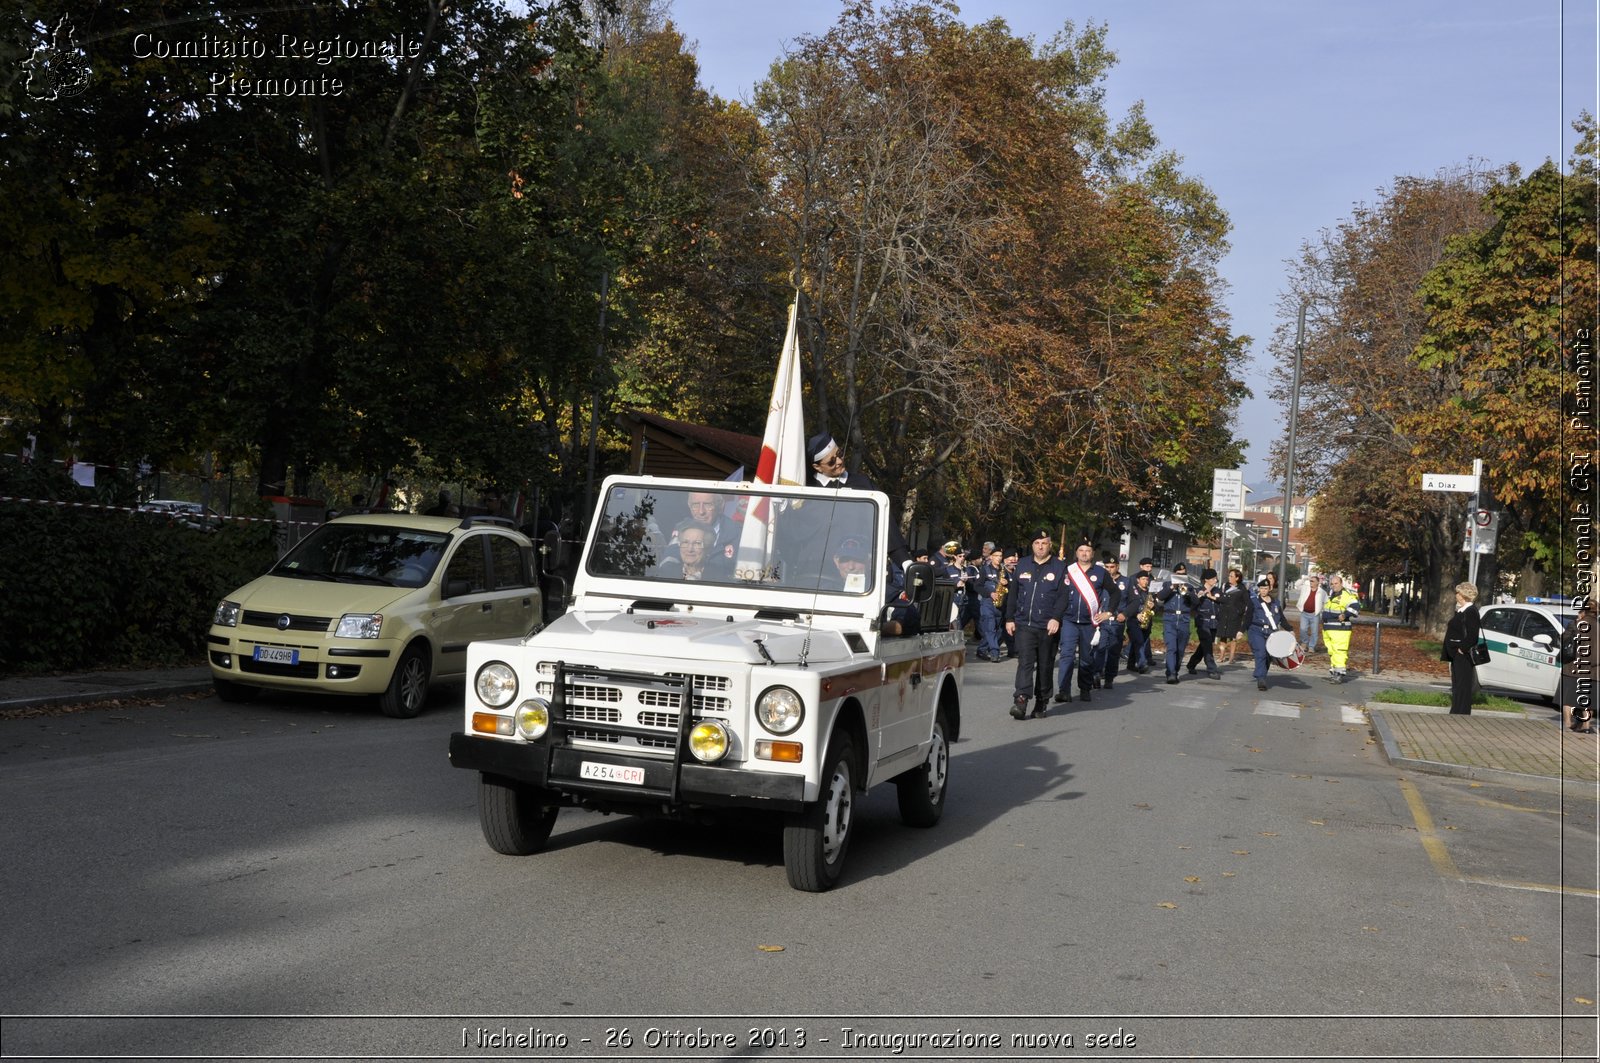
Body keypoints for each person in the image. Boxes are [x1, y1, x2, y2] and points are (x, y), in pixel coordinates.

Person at [805, 432, 909, 565]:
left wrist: (905, 562)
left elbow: (885, 523)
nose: (840, 461)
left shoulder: (863, 484)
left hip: (858, 566)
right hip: (812, 568)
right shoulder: (805, 488)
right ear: (817, 467)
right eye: (831, 461)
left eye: (840, 454)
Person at [1004, 529, 1067, 720]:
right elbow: (1013, 594)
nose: (1041, 546)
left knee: (1045, 665)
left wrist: (1056, 618)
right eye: (1037, 543)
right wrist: (1009, 618)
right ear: (1032, 545)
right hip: (1024, 623)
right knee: (1025, 662)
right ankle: (1021, 700)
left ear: (1050, 545)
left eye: (1044, 543)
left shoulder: (1059, 566)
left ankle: (1042, 699)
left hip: (1048, 625)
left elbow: (1063, 596)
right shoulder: (1023, 564)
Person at [1053, 541, 1111, 703]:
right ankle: (1064, 690)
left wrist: (1109, 612)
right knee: (1067, 655)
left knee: (1086, 657)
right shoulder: (1067, 570)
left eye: (1088, 551)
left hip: (1089, 622)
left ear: (1093, 554)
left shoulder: (1101, 572)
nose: (1084, 553)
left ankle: (1085, 688)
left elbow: (1115, 593)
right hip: (1069, 620)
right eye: (1081, 550)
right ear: (1076, 553)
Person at [1440, 581, 1482, 715]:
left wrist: (1462, 649)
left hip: (1463, 655)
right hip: (1456, 654)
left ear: (1463, 595)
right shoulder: (1462, 610)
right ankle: (1456, 709)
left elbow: (1472, 636)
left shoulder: (1471, 612)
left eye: (1458, 592)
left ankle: (1462, 712)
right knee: (1457, 683)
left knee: (1463, 684)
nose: (1456, 595)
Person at [1157, 561, 1200, 684]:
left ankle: (1175, 670)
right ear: (1173, 574)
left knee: (1180, 649)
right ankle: (1171, 673)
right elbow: (1160, 597)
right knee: (1172, 648)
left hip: (1184, 620)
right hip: (1169, 618)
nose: (1181, 576)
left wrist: (1188, 593)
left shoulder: (1190, 587)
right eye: (1178, 574)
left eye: (1183, 574)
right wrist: (1172, 587)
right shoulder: (1167, 585)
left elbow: (1196, 602)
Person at [1245, 576, 1288, 691]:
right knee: (1261, 652)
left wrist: (1290, 629)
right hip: (1256, 630)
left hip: (1271, 632)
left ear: (1269, 588)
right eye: (1261, 588)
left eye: (1265, 588)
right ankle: (1261, 678)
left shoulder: (1275, 603)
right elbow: (1248, 617)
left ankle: (1262, 673)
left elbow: (1282, 618)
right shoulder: (1253, 601)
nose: (1263, 590)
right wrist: (1241, 630)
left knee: (1268, 656)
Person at [1097, 556, 1133, 688]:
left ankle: (1109, 677)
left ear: (1117, 567)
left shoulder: (1127, 582)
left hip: (1117, 621)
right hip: (1102, 620)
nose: (1109, 569)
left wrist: (1125, 614)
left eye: (1112, 567)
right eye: (1107, 567)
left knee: (1113, 650)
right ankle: (1097, 671)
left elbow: (1134, 601)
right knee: (1100, 648)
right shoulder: (1100, 580)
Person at [1560, 600, 1595, 733]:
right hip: (1591, 668)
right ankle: (1585, 725)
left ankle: (1569, 723)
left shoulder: (1574, 624)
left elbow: (1563, 640)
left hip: (1573, 667)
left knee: (1568, 698)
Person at [1321, 574, 1361, 682]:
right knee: (1332, 651)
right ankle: (1334, 672)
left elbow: (1356, 607)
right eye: (1332, 584)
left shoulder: (1346, 595)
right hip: (1329, 628)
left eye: (1336, 583)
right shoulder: (1331, 594)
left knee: (1339, 651)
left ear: (1341, 583)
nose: (1334, 586)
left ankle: (1339, 674)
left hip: (1340, 629)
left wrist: (1345, 615)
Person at [1186, 568, 1223, 678]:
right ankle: (1212, 669)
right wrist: (1199, 596)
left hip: (1214, 622)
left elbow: (1222, 601)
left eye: (1215, 578)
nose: (1215, 580)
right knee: (1207, 645)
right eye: (1212, 578)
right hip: (1202, 622)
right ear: (1206, 580)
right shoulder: (1198, 590)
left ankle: (1191, 664)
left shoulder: (1217, 590)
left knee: (1204, 645)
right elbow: (1192, 606)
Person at [975, 546, 1005, 662]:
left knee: (999, 631)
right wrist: (989, 593)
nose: (999, 558)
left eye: (1000, 556)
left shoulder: (1003, 571)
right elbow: (977, 586)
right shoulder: (984, 569)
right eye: (996, 556)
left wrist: (1006, 583)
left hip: (1000, 604)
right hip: (987, 602)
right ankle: (994, 652)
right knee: (990, 628)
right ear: (991, 557)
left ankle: (982, 649)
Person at [1215, 567, 1250, 665]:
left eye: (1231, 576)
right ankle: (1221, 656)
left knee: (1233, 637)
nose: (1229, 578)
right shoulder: (1224, 586)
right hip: (1224, 614)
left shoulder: (1242, 588)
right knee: (1223, 636)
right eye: (1229, 576)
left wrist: (1240, 611)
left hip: (1235, 616)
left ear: (1237, 578)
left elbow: (1246, 602)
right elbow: (1220, 596)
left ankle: (1231, 657)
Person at [1125, 570, 1156, 674]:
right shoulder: (1133, 591)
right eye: (1143, 579)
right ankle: (1142, 664)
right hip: (1134, 620)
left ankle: (1130, 664)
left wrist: (1153, 606)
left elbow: (1156, 608)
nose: (1146, 581)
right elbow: (1127, 606)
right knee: (1139, 641)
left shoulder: (1150, 593)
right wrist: (1135, 614)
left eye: (1147, 579)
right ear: (1138, 580)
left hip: (1146, 621)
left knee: (1137, 642)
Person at [1293, 572, 1327, 655]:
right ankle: (1304, 643)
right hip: (1304, 613)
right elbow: (1297, 584)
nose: (1311, 582)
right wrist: (1304, 579)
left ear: (1317, 582)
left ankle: (1311, 647)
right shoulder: (1305, 588)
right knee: (1303, 629)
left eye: (1313, 581)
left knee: (1314, 631)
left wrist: (1321, 611)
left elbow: (1326, 602)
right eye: (1310, 581)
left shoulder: (1321, 592)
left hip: (1314, 614)